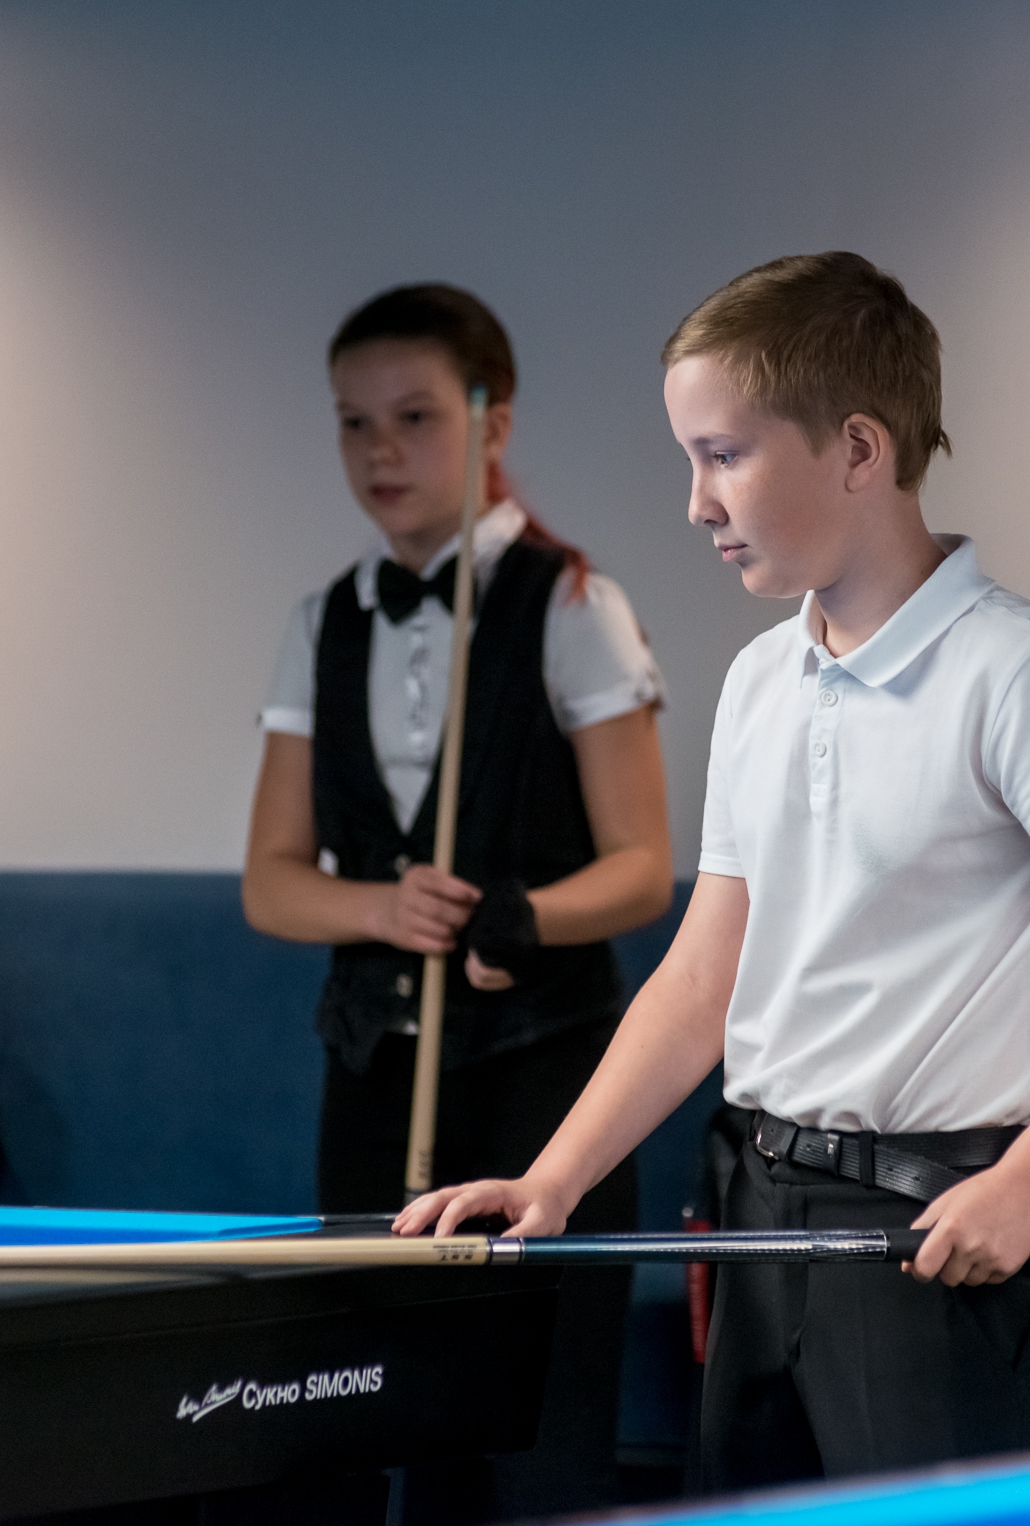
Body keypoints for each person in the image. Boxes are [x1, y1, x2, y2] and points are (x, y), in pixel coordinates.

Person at [400, 252, 1030, 1489]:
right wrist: (555, 1179)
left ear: (859, 449)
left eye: (723, 455)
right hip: (760, 1213)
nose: (696, 502)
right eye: (690, 459)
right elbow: (704, 979)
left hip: (943, 1231)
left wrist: (1029, 1184)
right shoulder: (760, 679)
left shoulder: (1020, 675)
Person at [242, 283, 672, 1521]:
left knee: (539, 1432)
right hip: (375, 1079)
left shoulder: (575, 606)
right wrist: (384, 911)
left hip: (547, 1080)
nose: (380, 451)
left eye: (415, 416)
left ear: (494, 422)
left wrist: (520, 915)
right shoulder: (321, 623)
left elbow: (643, 866)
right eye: (354, 423)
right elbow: (272, 883)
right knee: (379, 1412)